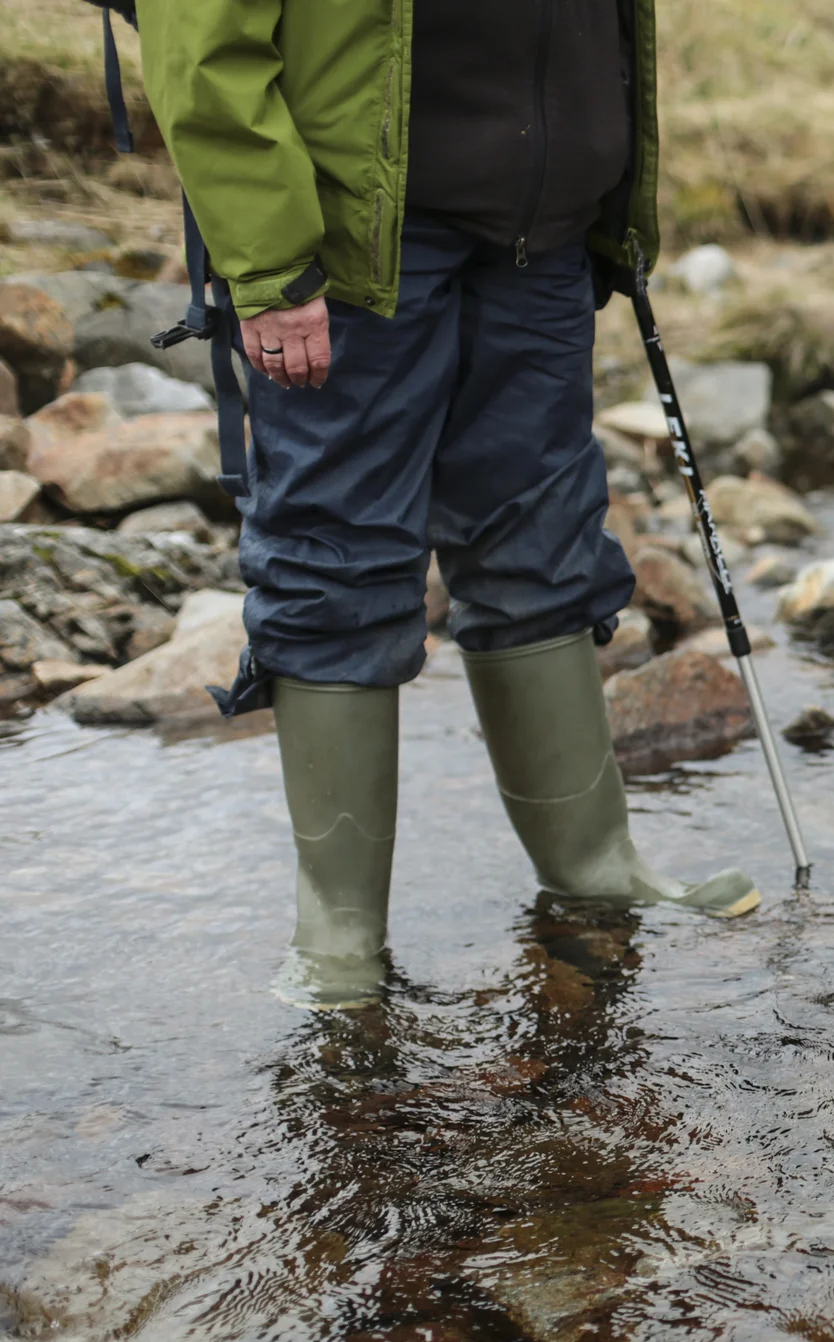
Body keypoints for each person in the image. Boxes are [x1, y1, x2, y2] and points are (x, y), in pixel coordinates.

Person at [136, 0, 757, 1010]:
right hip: (349, 241)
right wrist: (265, 256)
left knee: (544, 543)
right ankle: (339, 935)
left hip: (544, 229)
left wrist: (609, 199)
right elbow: (199, 44)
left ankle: (592, 866)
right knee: (336, 556)